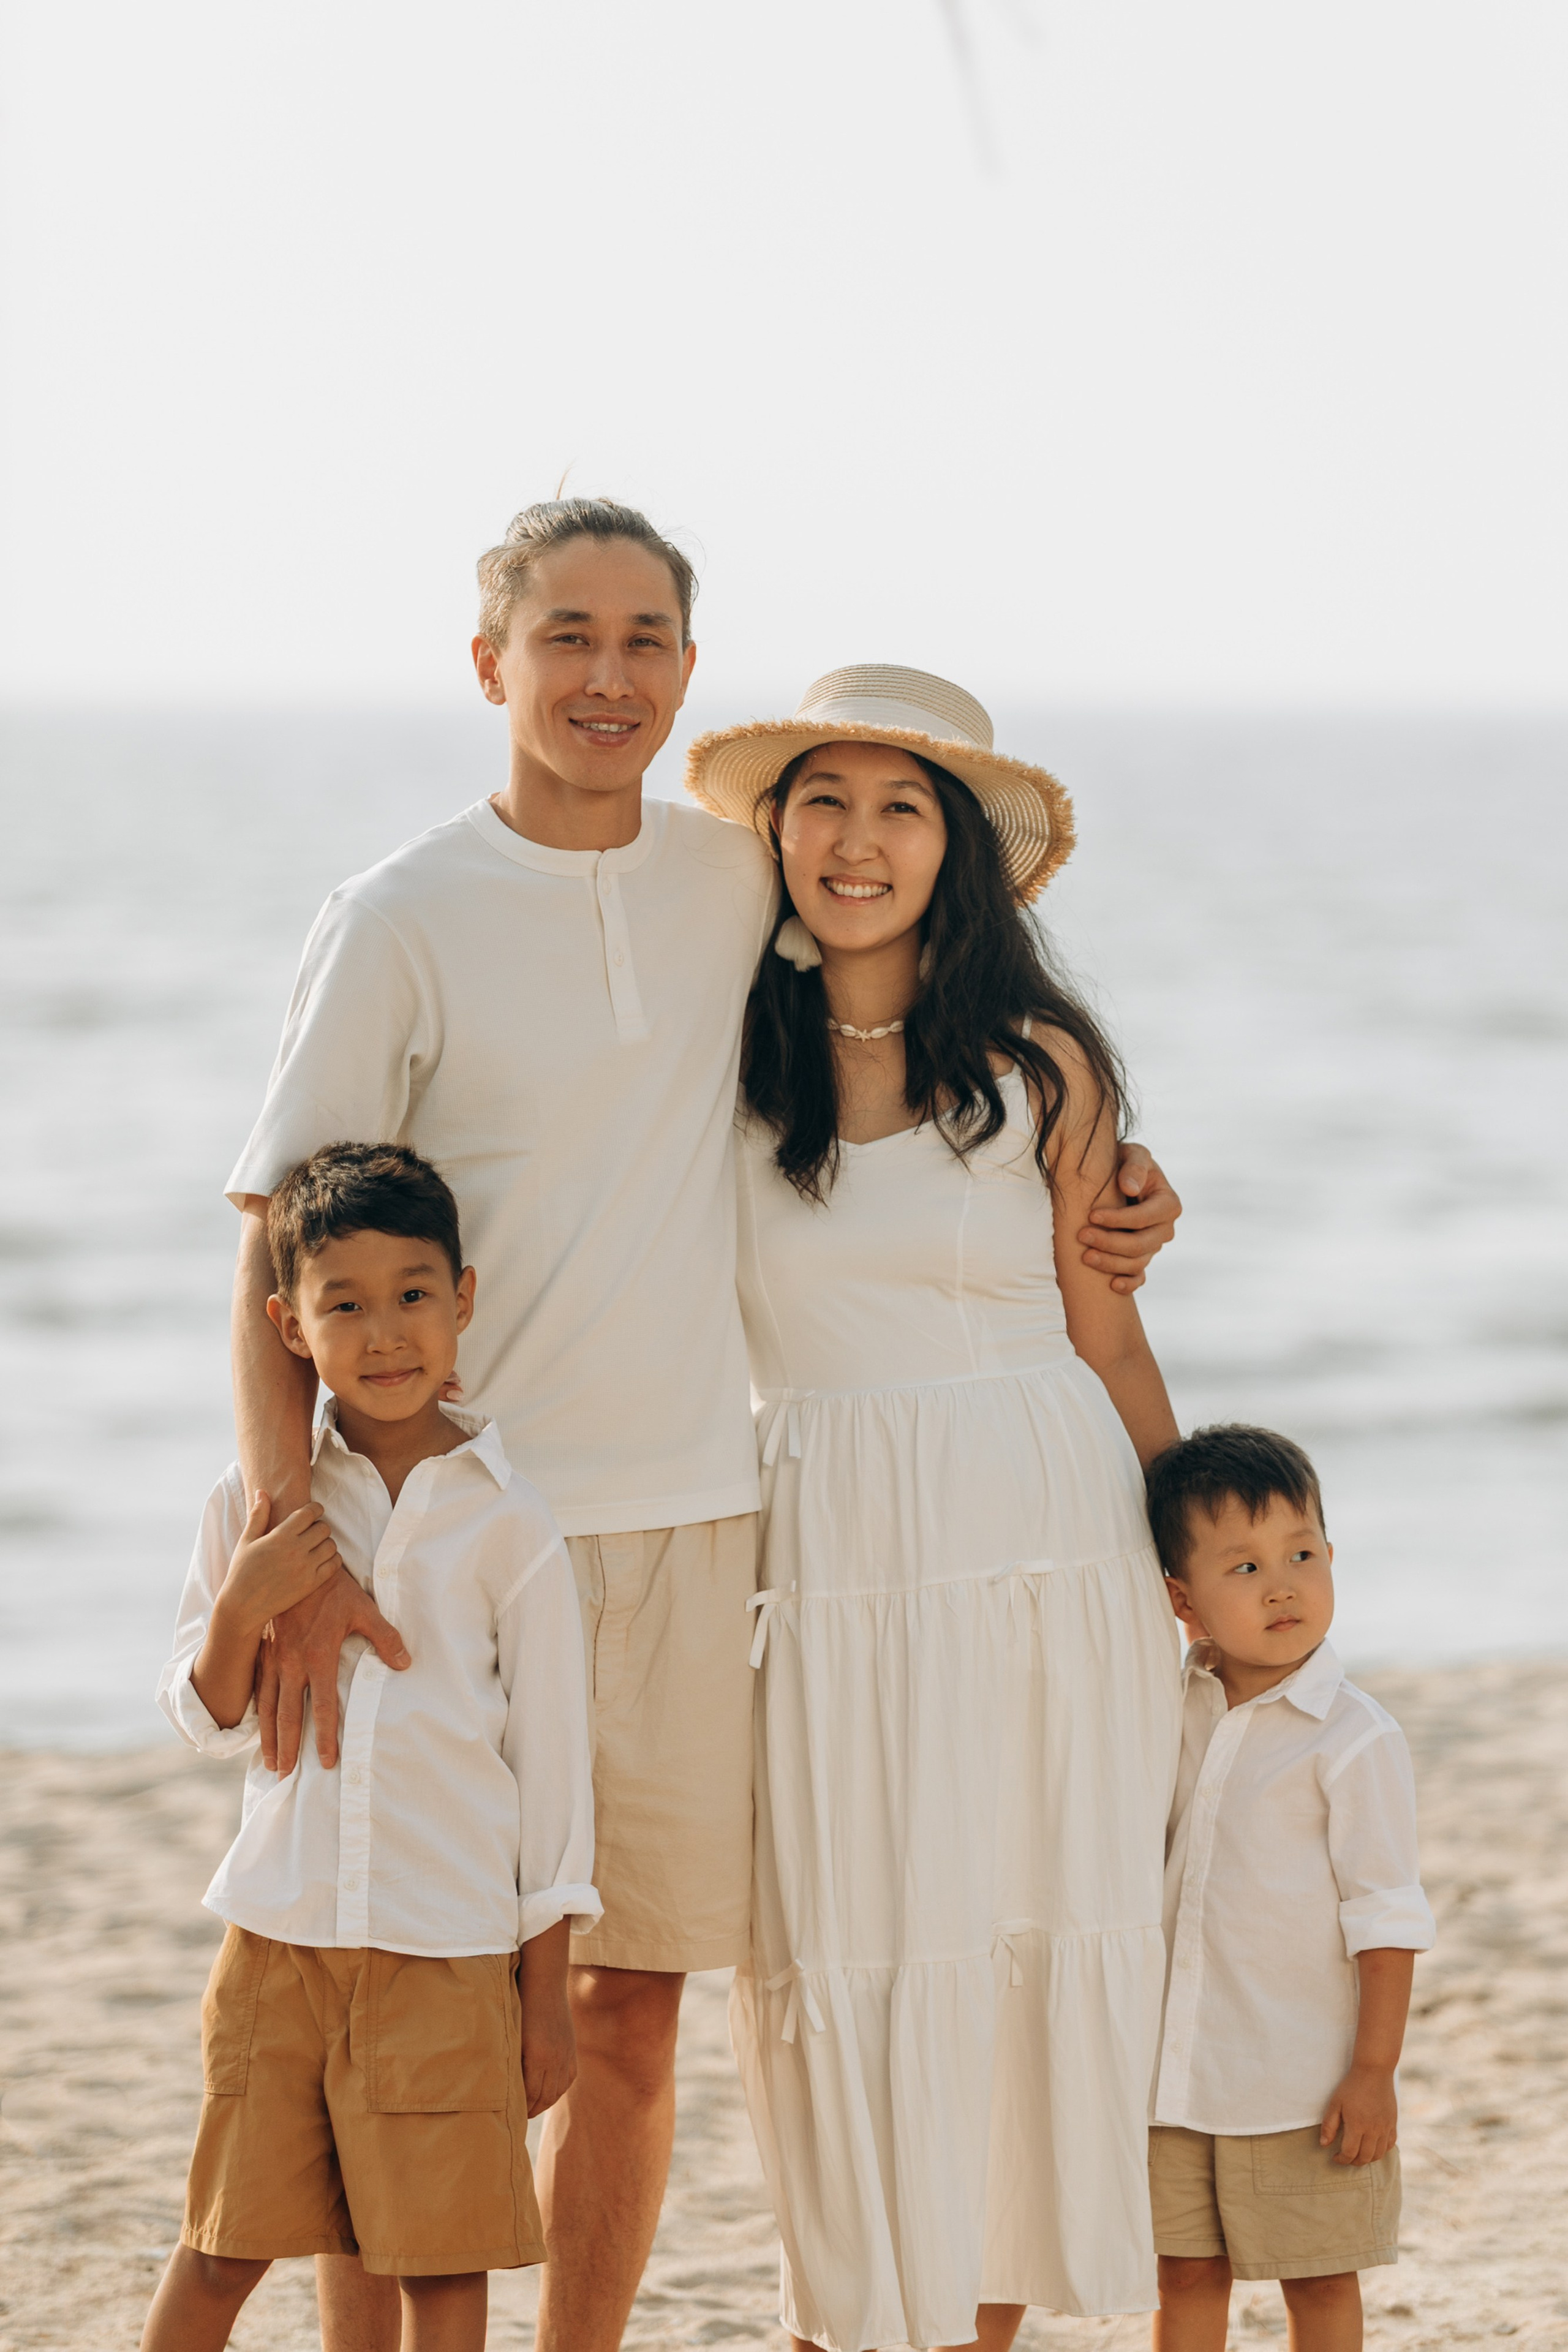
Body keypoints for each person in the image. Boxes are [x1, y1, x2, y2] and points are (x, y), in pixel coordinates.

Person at [227, 500, 1183, 2352]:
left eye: (646, 637)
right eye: (566, 634)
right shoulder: (410, 916)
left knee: (631, 2012)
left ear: (684, 669)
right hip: (456, 1524)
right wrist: (293, 1515)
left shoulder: (721, 893)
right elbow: (285, 1232)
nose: (606, 673)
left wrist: (1126, 1198)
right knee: (401, 1983)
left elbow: (990, 1115)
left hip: (696, 1525)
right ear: (490, 658)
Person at [684, 665, 1187, 2352]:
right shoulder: (715, 1069)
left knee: (1020, 1932)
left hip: (1050, 1531)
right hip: (827, 1548)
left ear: (956, 850)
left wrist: (1190, 1560)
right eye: (823, 798)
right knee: (845, 1944)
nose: (858, 838)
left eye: (903, 805)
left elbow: (1106, 1324)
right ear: (773, 834)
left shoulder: (1039, 1064)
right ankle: (845, 2321)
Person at [143, 1144, 598, 2352]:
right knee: (222, 2244)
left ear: (463, 1300)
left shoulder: (512, 1524)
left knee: (443, 2271)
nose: (384, 1334)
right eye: (343, 1304)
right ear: (288, 1326)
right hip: (277, 1944)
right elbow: (206, 1718)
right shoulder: (257, 1503)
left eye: (412, 1295)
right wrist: (244, 1603)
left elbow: (553, 1777)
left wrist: (543, 1998)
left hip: (446, 1955)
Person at [1142, 1423, 1436, 2352]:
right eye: (1244, 1567)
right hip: (1173, 2074)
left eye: (1302, 1554)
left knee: (1317, 2281)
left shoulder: (1353, 1738)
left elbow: (1385, 1916)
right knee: (1183, 2273)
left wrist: (1374, 2073)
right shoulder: (1168, 1709)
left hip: (1303, 2085)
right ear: (1182, 1602)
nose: (1282, 1585)